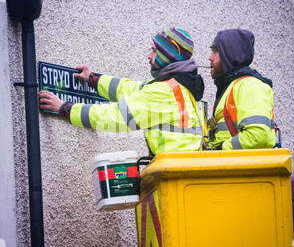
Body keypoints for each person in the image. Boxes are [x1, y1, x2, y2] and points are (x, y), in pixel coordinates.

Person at [39, 27, 206, 155]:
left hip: (175, 178)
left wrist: (65, 108)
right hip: (178, 175)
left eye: (154, 50)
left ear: (168, 55)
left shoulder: (164, 92)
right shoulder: (176, 88)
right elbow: (130, 89)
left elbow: (117, 116)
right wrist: (93, 80)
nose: (149, 56)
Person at [207, 29, 276, 150]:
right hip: (233, 165)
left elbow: (259, 136)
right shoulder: (232, 87)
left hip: (243, 167)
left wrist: (221, 150)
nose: (210, 58)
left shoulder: (250, 86)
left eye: (215, 52)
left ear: (228, 55)